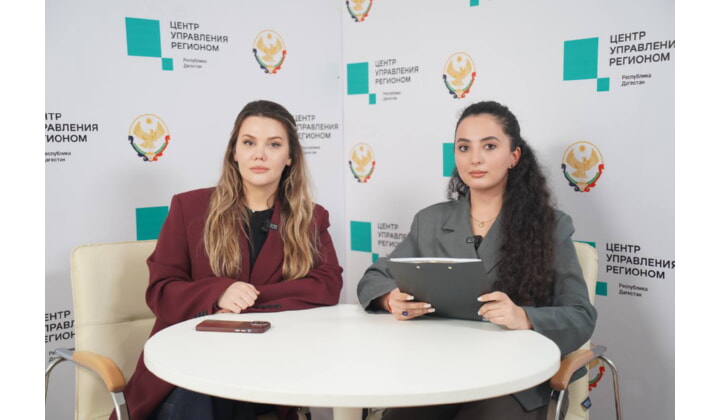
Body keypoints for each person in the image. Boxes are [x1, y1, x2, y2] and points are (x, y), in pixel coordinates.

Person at [356, 100, 597, 420]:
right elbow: (374, 277)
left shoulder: (551, 226)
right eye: (464, 147)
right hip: (437, 372)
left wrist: (524, 317)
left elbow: (580, 316)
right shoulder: (429, 221)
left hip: (515, 380)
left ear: (514, 156)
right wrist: (390, 298)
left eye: (489, 146)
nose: (475, 158)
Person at [114, 100, 344, 420]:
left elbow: (327, 286)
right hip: (190, 366)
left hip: (269, 369)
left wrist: (248, 301)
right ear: (234, 152)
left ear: (290, 156)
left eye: (273, 144)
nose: (259, 154)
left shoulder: (311, 217)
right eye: (248, 143)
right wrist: (219, 292)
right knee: (205, 393)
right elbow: (161, 291)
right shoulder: (188, 208)